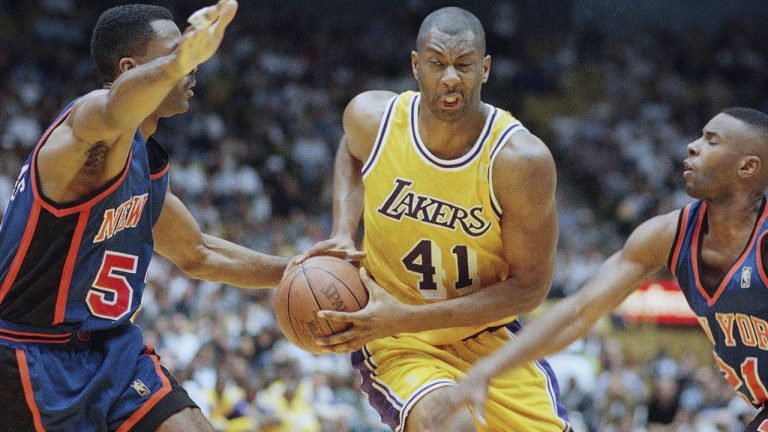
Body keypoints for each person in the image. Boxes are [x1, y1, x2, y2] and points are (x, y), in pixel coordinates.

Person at [0, 2, 290, 431]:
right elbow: (114, 107)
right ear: (129, 69)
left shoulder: (145, 166)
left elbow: (199, 253)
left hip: (112, 350)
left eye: (188, 53)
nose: (191, 67)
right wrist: (179, 61)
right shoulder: (86, 129)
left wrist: (297, 270)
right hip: (32, 352)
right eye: (174, 52)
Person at [297, 7, 571, 432]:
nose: (449, 78)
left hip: (487, 340)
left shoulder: (520, 162)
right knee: (451, 425)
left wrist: (410, 316)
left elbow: (531, 287)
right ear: (415, 65)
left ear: (485, 69)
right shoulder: (373, 120)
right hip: (395, 339)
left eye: (464, 65)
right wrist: (342, 231)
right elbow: (350, 150)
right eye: (437, 63)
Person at [425, 107, 768, 432]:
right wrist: (484, 372)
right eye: (700, 136)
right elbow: (579, 312)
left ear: (747, 167)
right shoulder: (666, 235)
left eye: (712, 141)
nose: (692, 146)